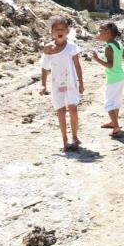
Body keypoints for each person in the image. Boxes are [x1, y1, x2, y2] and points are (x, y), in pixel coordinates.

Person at [40, 17, 84, 151]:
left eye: (63, 29)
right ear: (51, 32)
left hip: (71, 83)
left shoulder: (72, 46)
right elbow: (44, 67)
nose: (60, 32)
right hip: (56, 84)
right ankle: (64, 140)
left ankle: (74, 137)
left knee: (73, 110)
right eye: (57, 29)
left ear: (68, 31)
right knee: (60, 111)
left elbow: (77, 65)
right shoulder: (48, 48)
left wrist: (81, 82)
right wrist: (43, 84)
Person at [90, 22, 124, 137]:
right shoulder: (118, 44)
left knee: (109, 103)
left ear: (108, 33)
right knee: (116, 102)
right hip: (120, 77)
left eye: (100, 30)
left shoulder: (108, 47)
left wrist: (97, 59)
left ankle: (116, 126)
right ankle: (113, 122)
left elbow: (110, 65)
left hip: (113, 79)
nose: (98, 32)